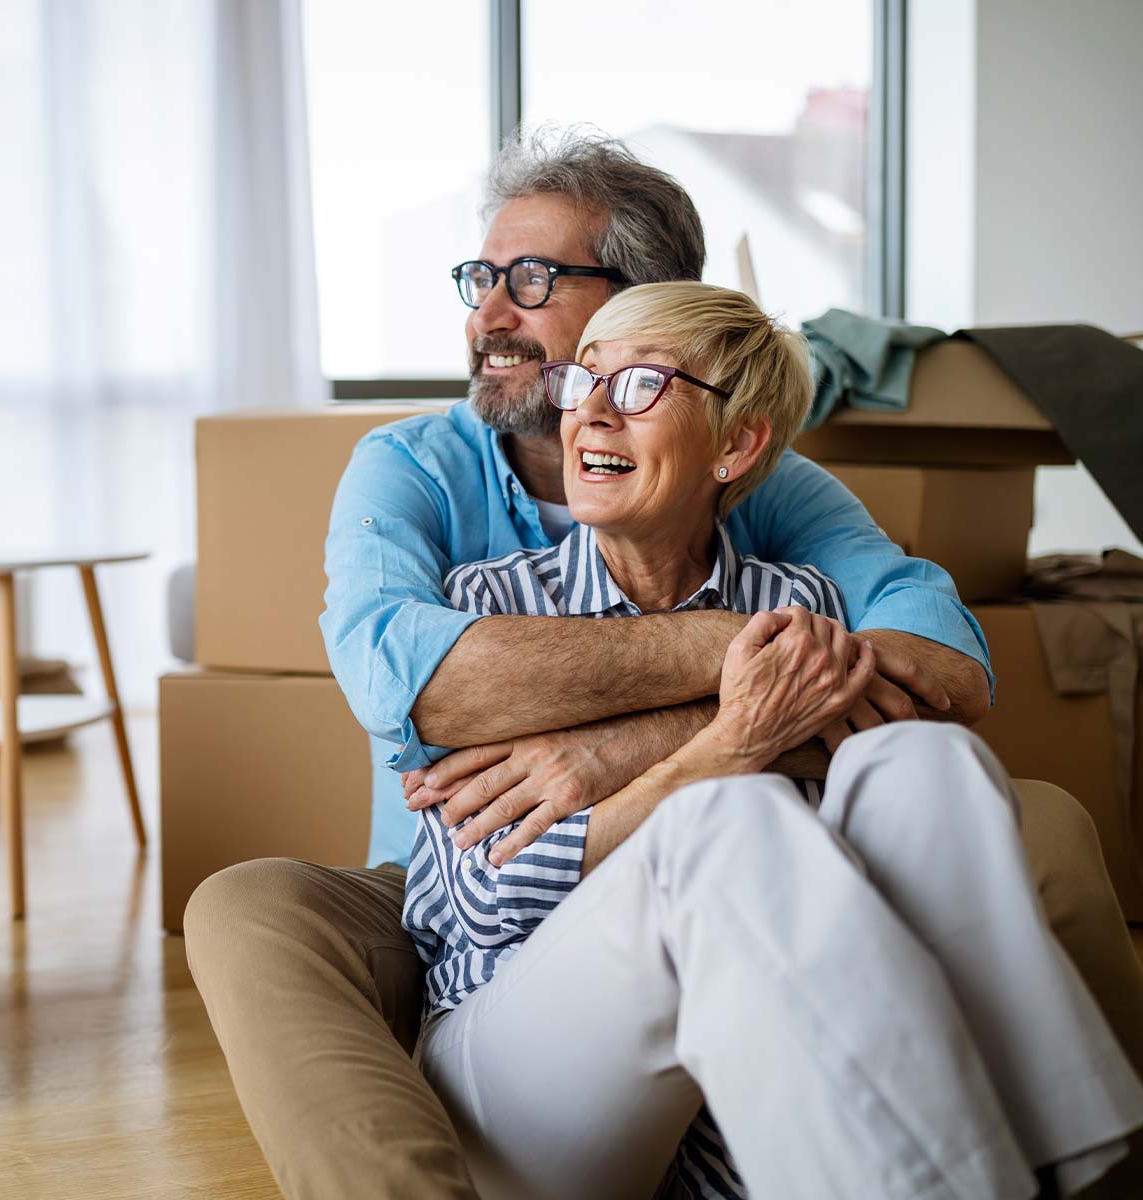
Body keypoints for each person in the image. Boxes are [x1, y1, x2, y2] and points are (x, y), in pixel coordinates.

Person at [184, 129, 1143, 1199]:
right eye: (481, 278)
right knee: (246, 907)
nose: (488, 316)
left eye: (533, 281)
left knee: (981, 795)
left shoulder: (778, 495)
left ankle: (1075, 1168)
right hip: (446, 896)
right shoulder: (415, 473)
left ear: (650, 307)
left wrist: (646, 742)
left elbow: (940, 672)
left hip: (747, 868)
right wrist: (744, 672)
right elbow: (414, 688)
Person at [404, 281, 1143, 1200]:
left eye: (639, 386)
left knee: (923, 759)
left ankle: (1073, 1171)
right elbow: (476, 902)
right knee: (731, 817)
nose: (589, 412)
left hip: (764, 1082)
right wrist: (722, 751)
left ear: (739, 445)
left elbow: (931, 706)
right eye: (581, 380)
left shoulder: (809, 608)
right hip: (519, 1071)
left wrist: (626, 753)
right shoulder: (488, 611)